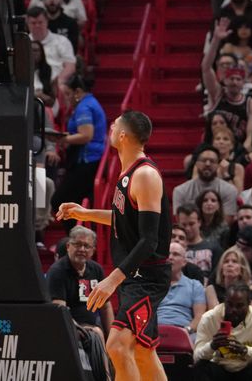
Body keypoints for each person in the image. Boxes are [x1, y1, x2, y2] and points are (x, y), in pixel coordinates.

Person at [57, 111, 171, 381]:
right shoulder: (127, 173)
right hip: (135, 275)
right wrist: (84, 214)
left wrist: (112, 279)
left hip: (147, 277)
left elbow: (149, 240)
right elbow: (125, 221)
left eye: (114, 124)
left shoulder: (145, 175)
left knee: (117, 346)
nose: (109, 127)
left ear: (122, 135)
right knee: (142, 351)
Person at [193, 282, 252, 381]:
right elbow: (196, 356)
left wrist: (245, 350)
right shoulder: (209, 318)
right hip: (219, 369)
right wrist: (212, 346)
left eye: (239, 306)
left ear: (249, 303)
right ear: (224, 301)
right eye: (229, 304)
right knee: (200, 365)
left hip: (247, 369)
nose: (233, 310)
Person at [52, 73, 107, 215]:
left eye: (68, 94)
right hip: (90, 159)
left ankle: (75, 232)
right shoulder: (90, 102)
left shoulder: (84, 107)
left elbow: (86, 135)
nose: (66, 98)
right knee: (74, 201)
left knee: (59, 200)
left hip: (88, 161)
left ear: (77, 92)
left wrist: (63, 139)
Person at [47, 225, 112, 338]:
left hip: (93, 327)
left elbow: (106, 307)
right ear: (68, 246)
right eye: (77, 244)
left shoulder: (97, 269)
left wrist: (111, 335)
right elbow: (59, 311)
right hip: (67, 329)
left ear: (93, 251)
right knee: (96, 335)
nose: (82, 249)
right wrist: (82, 330)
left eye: (87, 246)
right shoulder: (57, 271)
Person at [157, 242, 206, 337]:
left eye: (175, 254)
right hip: (155, 332)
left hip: (185, 332)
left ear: (184, 262)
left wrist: (187, 331)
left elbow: (200, 316)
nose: (170, 257)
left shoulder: (195, 285)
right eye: (168, 254)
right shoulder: (153, 285)